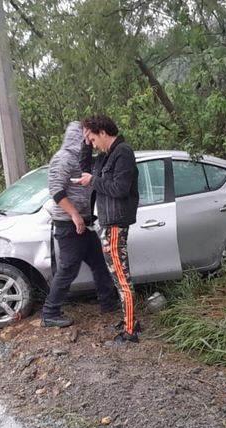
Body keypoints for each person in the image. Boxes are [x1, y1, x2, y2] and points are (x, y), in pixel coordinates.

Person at [41, 121, 119, 328]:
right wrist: (74, 215)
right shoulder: (62, 158)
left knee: (100, 263)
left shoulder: (82, 157)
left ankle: (109, 304)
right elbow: (56, 191)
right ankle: (50, 313)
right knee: (68, 269)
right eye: (85, 135)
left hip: (85, 223)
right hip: (69, 223)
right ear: (77, 135)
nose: (89, 139)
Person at [78, 115, 140, 343]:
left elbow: (120, 188)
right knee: (119, 276)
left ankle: (131, 331)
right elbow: (85, 170)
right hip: (108, 221)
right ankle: (130, 320)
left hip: (116, 222)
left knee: (121, 278)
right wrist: (85, 144)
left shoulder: (122, 152)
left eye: (92, 139)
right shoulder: (107, 155)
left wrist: (93, 181)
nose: (92, 144)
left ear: (103, 132)